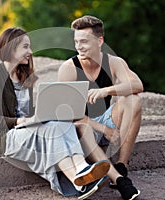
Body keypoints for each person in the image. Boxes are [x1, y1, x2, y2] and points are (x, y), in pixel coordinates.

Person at [0, 27, 111, 200]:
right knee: (51, 130)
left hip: (26, 129)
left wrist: (48, 110)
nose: (30, 52)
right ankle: (76, 180)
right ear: (11, 48)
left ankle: (82, 168)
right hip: (4, 138)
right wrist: (23, 121)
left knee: (62, 123)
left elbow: (26, 110)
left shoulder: (23, 75)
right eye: (25, 47)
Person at [58, 15, 143, 200]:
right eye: (76, 42)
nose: (79, 46)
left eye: (84, 42)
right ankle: (120, 181)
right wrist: (104, 129)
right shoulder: (68, 69)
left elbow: (137, 85)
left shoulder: (113, 62)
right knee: (83, 127)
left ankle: (122, 165)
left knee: (134, 100)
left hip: (105, 119)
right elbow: (68, 116)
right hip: (83, 128)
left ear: (99, 41)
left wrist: (106, 91)